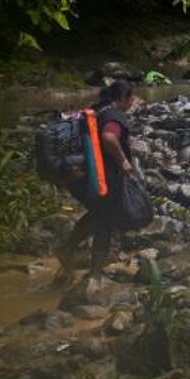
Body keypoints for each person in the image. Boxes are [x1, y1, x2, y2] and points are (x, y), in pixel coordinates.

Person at [56, 80, 138, 282]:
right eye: (131, 97)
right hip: (102, 178)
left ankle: (68, 250)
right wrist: (124, 162)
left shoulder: (96, 110)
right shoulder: (113, 115)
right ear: (121, 99)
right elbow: (109, 137)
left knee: (97, 213)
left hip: (79, 175)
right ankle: (95, 273)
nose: (133, 101)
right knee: (105, 221)